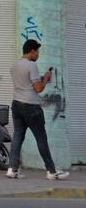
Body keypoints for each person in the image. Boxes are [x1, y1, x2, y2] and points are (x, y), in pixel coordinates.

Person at [6, 40, 69, 180]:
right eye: (37, 51)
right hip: (31, 106)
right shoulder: (31, 65)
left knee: (17, 137)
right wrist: (45, 79)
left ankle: (12, 169)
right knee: (41, 138)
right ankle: (51, 171)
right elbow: (38, 88)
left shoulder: (14, 65)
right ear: (32, 51)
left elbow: (26, 83)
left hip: (17, 104)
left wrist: (41, 78)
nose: (38, 54)